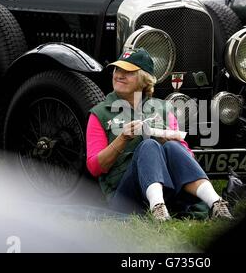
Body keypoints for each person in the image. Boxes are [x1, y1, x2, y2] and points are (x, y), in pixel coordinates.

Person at [86, 48, 233, 221]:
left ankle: (216, 203)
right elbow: (94, 167)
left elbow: (187, 157)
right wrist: (122, 139)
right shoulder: (100, 113)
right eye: (117, 69)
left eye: (128, 72)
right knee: (148, 145)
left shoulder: (163, 108)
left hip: (169, 189)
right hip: (126, 197)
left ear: (144, 80)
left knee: (172, 145)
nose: (119, 75)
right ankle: (157, 208)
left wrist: (167, 139)